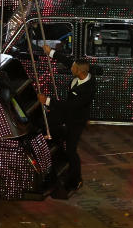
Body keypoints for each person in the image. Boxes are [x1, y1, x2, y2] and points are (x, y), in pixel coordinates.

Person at [38, 44, 97, 192]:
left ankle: (76, 179)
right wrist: (50, 52)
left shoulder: (87, 90)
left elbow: (70, 106)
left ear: (80, 72)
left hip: (76, 120)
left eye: (73, 68)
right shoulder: (81, 71)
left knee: (71, 150)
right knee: (46, 123)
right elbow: (66, 60)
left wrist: (47, 101)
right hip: (67, 113)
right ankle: (54, 145)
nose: (71, 68)